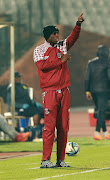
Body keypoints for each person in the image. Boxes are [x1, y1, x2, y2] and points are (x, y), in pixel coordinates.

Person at [33, 13, 84, 168]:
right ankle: (45, 160)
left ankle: (60, 160)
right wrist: (60, 60)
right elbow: (42, 67)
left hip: (64, 91)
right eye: (55, 34)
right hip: (49, 92)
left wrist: (78, 25)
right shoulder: (39, 50)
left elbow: (73, 38)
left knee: (63, 127)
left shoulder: (62, 45)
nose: (57, 36)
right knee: (49, 126)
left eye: (58, 33)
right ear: (48, 36)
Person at [85, 45, 110, 140]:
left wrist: (87, 90)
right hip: (104, 90)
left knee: (100, 111)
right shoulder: (108, 62)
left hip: (93, 91)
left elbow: (87, 78)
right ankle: (96, 132)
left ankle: (105, 132)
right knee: (102, 111)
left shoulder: (91, 63)